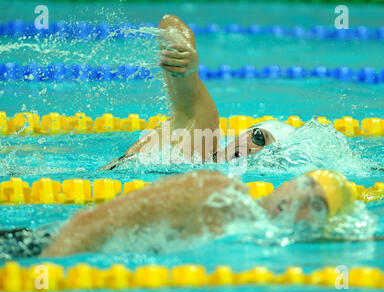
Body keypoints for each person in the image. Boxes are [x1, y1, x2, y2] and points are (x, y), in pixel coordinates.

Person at [0, 169, 357, 258]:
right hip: (38, 248)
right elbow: (98, 221)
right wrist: (46, 271)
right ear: (288, 182)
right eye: (306, 185)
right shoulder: (222, 194)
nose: (301, 202)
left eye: (318, 206)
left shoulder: (252, 231)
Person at [100, 15, 295, 170]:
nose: (255, 149)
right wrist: (184, 53)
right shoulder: (202, 137)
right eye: (259, 137)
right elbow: (169, 22)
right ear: (245, 132)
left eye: (268, 154)